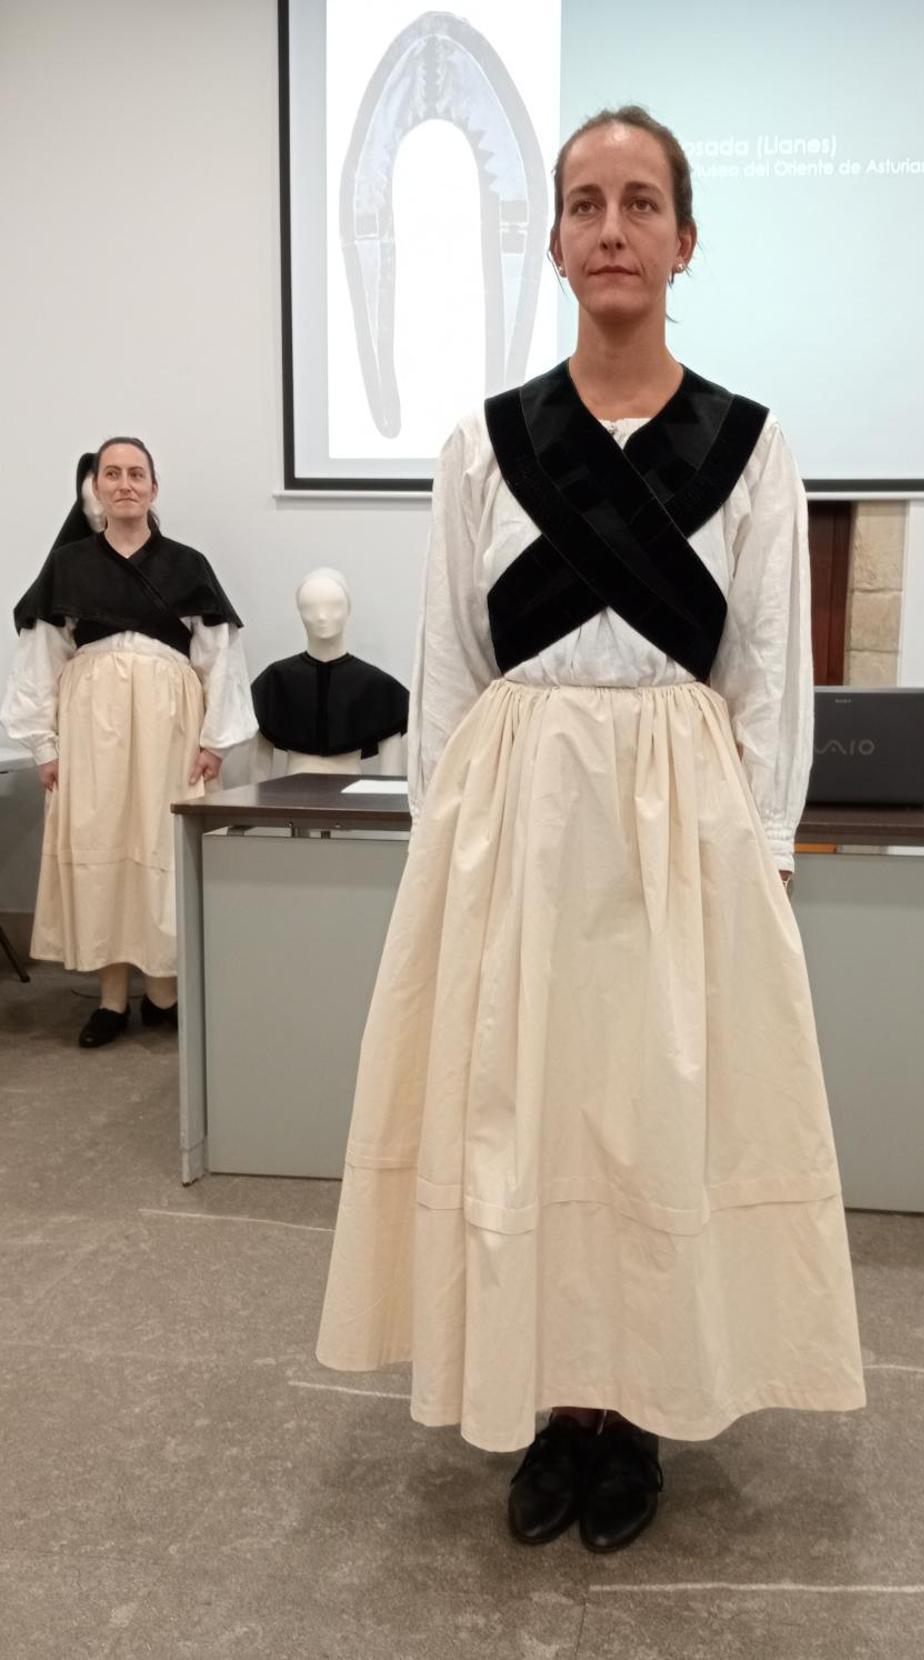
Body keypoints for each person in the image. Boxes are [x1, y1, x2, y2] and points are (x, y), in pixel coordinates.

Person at [317, 105, 864, 1553]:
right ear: (554, 243)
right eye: (583, 204)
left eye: (639, 204)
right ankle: (552, 1405)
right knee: (530, 1113)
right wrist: (445, 853)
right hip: (520, 828)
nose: (611, 229)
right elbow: (448, 665)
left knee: (650, 1121)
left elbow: (768, 676)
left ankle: (633, 1415)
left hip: (678, 836)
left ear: (685, 243)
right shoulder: (485, 445)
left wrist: (756, 858)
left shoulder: (749, 447)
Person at [1, 438, 255, 1046]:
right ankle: (112, 999)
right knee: (104, 846)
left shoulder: (188, 565)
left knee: (159, 842)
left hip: (170, 728)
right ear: (96, 489)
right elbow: (40, 657)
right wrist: (44, 745)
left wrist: (215, 742)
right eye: (111, 474)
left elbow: (219, 656)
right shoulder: (68, 566)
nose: (124, 484)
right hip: (92, 730)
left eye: (136, 474)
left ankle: (163, 992)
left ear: (153, 487)